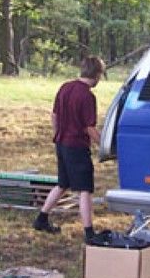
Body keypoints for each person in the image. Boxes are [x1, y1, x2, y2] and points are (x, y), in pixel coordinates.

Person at [32, 55, 107, 243]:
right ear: (97, 74)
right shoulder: (87, 96)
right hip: (77, 147)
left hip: (61, 143)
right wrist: (105, 146)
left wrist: (57, 135)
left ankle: (41, 219)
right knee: (85, 189)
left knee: (63, 184)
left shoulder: (65, 87)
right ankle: (89, 233)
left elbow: (54, 115)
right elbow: (89, 128)